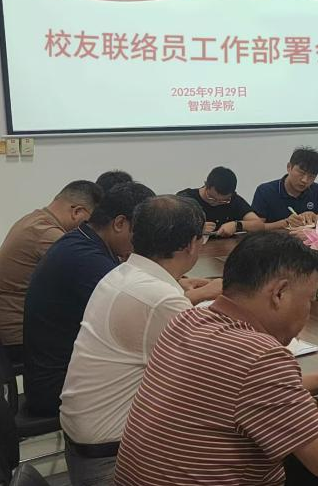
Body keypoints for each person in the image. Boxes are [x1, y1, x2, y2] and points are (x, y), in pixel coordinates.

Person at [115, 232, 318, 485]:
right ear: (279, 293)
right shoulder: (259, 356)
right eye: (308, 300)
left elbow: (234, 393)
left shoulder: (188, 320)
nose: (307, 313)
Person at [59, 195, 221, 484]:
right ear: (190, 244)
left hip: (87, 444)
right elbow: (218, 376)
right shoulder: (159, 298)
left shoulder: (123, 274)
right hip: (114, 460)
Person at [23, 182, 155, 417]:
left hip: (54, 374)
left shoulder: (82, 241)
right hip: (59, 387)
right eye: (141, 233)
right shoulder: (85, 258)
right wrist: (201, 293)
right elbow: (136, 309)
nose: (141, 242)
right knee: (171, 380)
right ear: (119, 223)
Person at [0, 180, 102, 361]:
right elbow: (91, 270)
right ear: (77, 212)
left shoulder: (34, 220)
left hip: (15, 330)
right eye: (89, 223)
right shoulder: (45, 233)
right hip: (21, 339)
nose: (91, 230)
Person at [252, 147, 318, 230]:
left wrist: (316, 218)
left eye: (311, 176)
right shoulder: (265, 191)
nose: (305, 180)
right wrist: (286, 223)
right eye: (301, 173)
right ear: (289, 167)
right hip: (275, 238)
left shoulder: (317, 191)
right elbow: (254, 228)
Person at [177, 166, 265, 238]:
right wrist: (196, 228)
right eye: (211, 198)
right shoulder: (185, 199)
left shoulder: (234, 200)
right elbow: (172, 227)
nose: (216, 203)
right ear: (206, 185)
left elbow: (259, 225)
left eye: (224, 201)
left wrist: (237, 225)